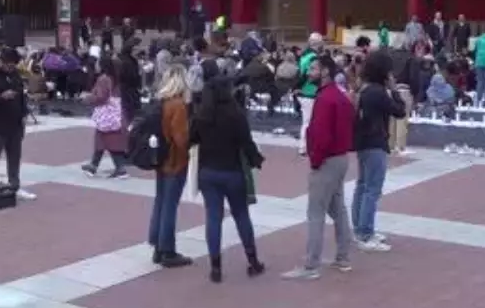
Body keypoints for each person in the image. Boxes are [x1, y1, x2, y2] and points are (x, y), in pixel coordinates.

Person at [190, 72, 266, 283]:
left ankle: (215, 267)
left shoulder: (201, 115)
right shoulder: (236, 114)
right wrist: (256, 160)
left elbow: (191, 139)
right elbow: (246, 142)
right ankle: (253, 261)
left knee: (213, 218)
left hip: (207, 172)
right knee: (241, 215)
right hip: (232, 171)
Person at [284, 55, 354, 280]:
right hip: (341, 157)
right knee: (337, 208)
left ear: (325, 71)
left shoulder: (325, 99)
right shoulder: (340, 96)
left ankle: (311, 265)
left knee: (315, 212)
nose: (309, 72)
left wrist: (315, 160)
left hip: (327, 160)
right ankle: (343, 257)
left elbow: (321, 135)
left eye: (313, 68)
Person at [352, 52, 406, 252]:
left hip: (363, 141)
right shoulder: (378, 92)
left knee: (362, 185)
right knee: (372, 189)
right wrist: (394, 90)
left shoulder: (364, 89)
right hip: (376, 141)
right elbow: (399, 111)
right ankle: (365, 233)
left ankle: (359, 229)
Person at [148, 65, 194, 268]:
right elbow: (181, 138)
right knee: (170, 205)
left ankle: (157, 245)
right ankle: (167, 249)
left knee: (160, 201)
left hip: (160, 157)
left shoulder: (160, 101)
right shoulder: (177, 105)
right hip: (175, 160)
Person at [0, 48, 36, 200]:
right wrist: (0, 97)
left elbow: (20, 94)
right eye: (9, 65)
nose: (11, 68)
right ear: (1, 62)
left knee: (14, 156)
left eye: (14, 66)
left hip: (15, 122)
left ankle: (14, 186)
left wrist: (23, 113)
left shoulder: (14, 74)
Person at [81, 57, 130, 179]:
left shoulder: (103, 79)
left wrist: (88, 98)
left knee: (105, 139)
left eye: (98, 62)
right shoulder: (115, 78)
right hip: (115, 113)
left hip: (106, 114)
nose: (96, 65)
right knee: (108, 139)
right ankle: (95, 165)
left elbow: (101, 97)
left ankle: (117, 168)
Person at [295, 33, 325, 155]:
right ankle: (305, 146)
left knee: (306, 120)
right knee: (309, 121)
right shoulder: (313, 57)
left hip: (303, 91)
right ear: (318, 44)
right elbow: (308, 74)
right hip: (309, 91)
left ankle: (305, 146)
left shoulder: (304, 56)